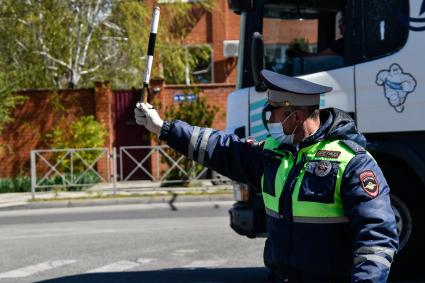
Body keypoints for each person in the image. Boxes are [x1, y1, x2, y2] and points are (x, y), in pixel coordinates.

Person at [134, 69, 399, 282]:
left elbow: (377, 237)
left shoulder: (352, 162)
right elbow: (220, 148)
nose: (269, 119)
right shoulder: (272, 154)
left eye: (274, 112)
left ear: (296, 116)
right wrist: (164, 128)